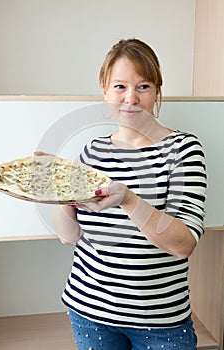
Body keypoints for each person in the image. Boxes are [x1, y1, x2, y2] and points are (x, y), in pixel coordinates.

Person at [50, 39, 207, 349]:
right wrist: (59, 194)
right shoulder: (92, 152)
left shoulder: (183, 150)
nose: (131, 98)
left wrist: (129, 199)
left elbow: (183, 244)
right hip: (89, 313)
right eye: (120, 86)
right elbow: (68, 236)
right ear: (105, 91)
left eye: (143, 86)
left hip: (161, 323)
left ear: (158, 92)